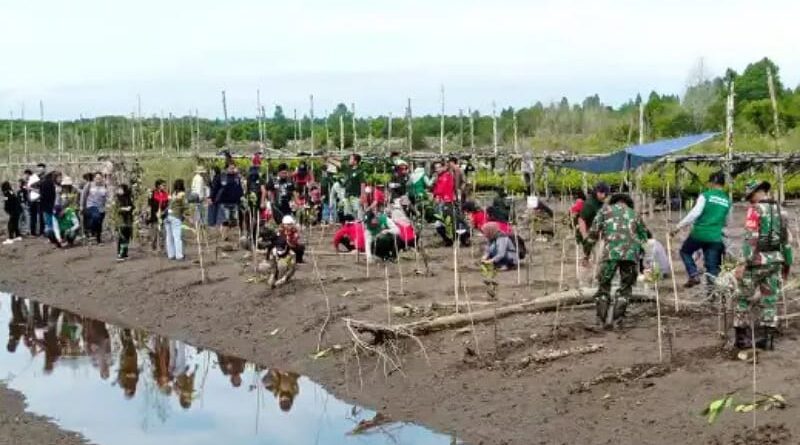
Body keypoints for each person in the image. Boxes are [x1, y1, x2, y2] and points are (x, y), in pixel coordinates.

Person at [732, 180, 793, 351]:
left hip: (756, 262)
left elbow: (751, 238)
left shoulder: (755, 210)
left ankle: (741, 340)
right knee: (770, 300)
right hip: (775, 261)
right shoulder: (783, 212)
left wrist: (742, 263)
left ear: (758, 192)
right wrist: (787, 264)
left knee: (743, 298)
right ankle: (768, 340)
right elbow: (786, 241)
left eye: (750, 196)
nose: (750, 200)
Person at [583, 193, 649, 329]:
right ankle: (618, 321)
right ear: (628, 203)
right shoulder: (635, 214)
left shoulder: (604, 211)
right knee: (625, 288)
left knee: (604, 286)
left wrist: (586, 254)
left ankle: (600, 322)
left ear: (613, 202)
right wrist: (642, 257)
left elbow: (592, 235)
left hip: (610, 254)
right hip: (631, 256)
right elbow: (644, 238)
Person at [671, 172, 731, 289]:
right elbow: (726, 221)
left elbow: (695, 213)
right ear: (723, 184)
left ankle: (693, 275)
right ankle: (712, 294)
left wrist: (678, 227)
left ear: (712, 182)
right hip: (716, 237)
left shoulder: (706, 196)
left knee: (685, 251)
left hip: (700, 233)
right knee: (712, 267)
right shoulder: (727, 200)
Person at [216, 163, 243, 238]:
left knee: (234, 221)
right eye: (231, 168)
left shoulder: (237, 178)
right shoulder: (222, 177)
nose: (233, 170)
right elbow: (216, 188)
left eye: (233, 168)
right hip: (225, 202)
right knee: (226, 218)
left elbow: (239, 188)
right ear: (227, 169)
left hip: (234, 202)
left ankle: (224, 230)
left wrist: (241, 196)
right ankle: (224, 235)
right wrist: (213, 197)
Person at [81, 172, 108, 244]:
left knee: (99, 223)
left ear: (102, 178)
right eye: (97, 178)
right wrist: (82, 206)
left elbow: (106, 197)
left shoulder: (104, 186)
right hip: (91, 205)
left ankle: (98, 239)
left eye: (100, 178)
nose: (98, 179)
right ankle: (91, 231)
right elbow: (83, 195)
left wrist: (108, 204)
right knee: (96, 217)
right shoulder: (89, 185)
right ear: (94, 178)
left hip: (101, 208)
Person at [165, 179, 188, 261]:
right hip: (175, 216)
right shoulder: (182, 194)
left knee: (169, 237)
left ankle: (171, 254)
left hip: (167, 216)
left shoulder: (172, 194)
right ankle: (179, 255)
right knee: (177, 236)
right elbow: (185, 206)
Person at [39, 170, 61, 239]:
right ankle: (52, 237)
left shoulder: (46, 183)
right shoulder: (52, 185)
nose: (60, 179)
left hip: (51, 207)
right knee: (50, 223)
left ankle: (52, 237)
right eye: (59, 177)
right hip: (51, 207)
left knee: (50, 223)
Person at [148, 180, 169, 250]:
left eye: (164, 185)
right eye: (163, 185)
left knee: (162, 233)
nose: (164, 186)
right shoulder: (152, 193)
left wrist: (163, 212)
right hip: (154, 215)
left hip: (163, 216)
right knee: (154, 233)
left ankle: (162, 247)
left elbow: (167, 205)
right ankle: (153, 247)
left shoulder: (165, 194)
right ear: (158, 185)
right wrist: (156, 213)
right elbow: (150, 204)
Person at [115, 184, 134, 261]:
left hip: (128, 220)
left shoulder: (128, 198)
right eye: (118, 189)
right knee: (122, 237)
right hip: (121, 220)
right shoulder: (117, 199)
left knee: (127, 236)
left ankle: (125, 253)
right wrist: (124, 209)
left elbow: (132, 206)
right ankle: (120, 254)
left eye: (121, 189)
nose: (119, 190)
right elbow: (115, 209)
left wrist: (130, 208)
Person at [343, 153, 365, 219]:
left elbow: (362, 184)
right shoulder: (348, 169)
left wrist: (362, 196)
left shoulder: (360, 171)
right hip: (347, 196)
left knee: (358, 216)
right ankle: (349, 228)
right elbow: (338, 164)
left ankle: (358, 228)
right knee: (348, 215)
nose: (349, 160)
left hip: (356, 197)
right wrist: (330, 159)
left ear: (355, 161)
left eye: (350, 159)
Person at [27, 165, 43, 236]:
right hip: (33, 200)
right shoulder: (32, 178)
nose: (39, 172)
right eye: (38, 170)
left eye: (41, 170)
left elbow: (41, 190)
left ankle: (41, 232)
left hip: (39, 200)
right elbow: (28, 189)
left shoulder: (43, 179)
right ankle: (33, 232)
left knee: (41, 217)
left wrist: (31, 189)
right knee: (33, 216)